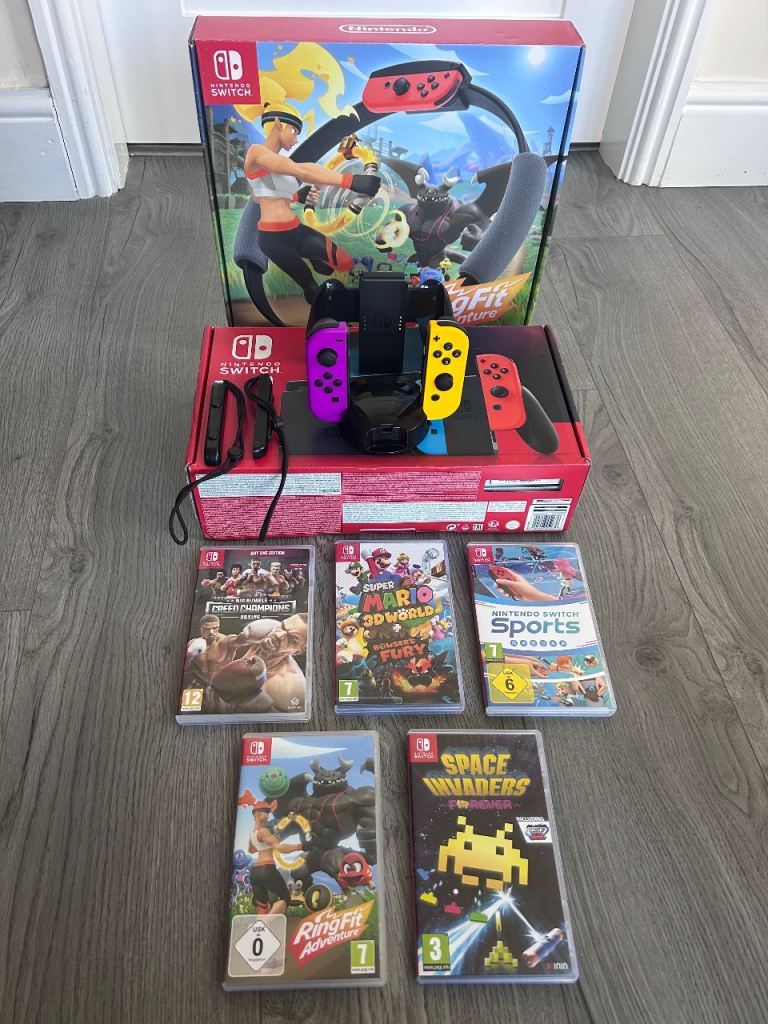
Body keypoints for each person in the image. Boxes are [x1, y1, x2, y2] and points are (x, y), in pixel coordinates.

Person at [243, 103, 380, 303]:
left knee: (345, 262)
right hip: (273, 239)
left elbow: (266, 195)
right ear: (278, 124)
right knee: (312, 288)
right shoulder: (256, 153)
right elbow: (302, 170)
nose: (296, 139)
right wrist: (350, 181)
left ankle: (313, 257)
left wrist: (299, 196)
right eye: (293, 131)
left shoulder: (274, 164)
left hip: (296, 231)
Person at [248, 801, 303, 914]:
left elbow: (251, 850)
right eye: (266, 814)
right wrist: (300, 846)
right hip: (266, 869)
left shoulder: (252, 833)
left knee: (263, 906)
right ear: (257, 814)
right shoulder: (263, 831)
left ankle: (259, 924)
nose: (268, 816)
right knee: (285, 899)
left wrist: (268, 843)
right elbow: (280, 848)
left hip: (255, 872)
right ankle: (266, 922)